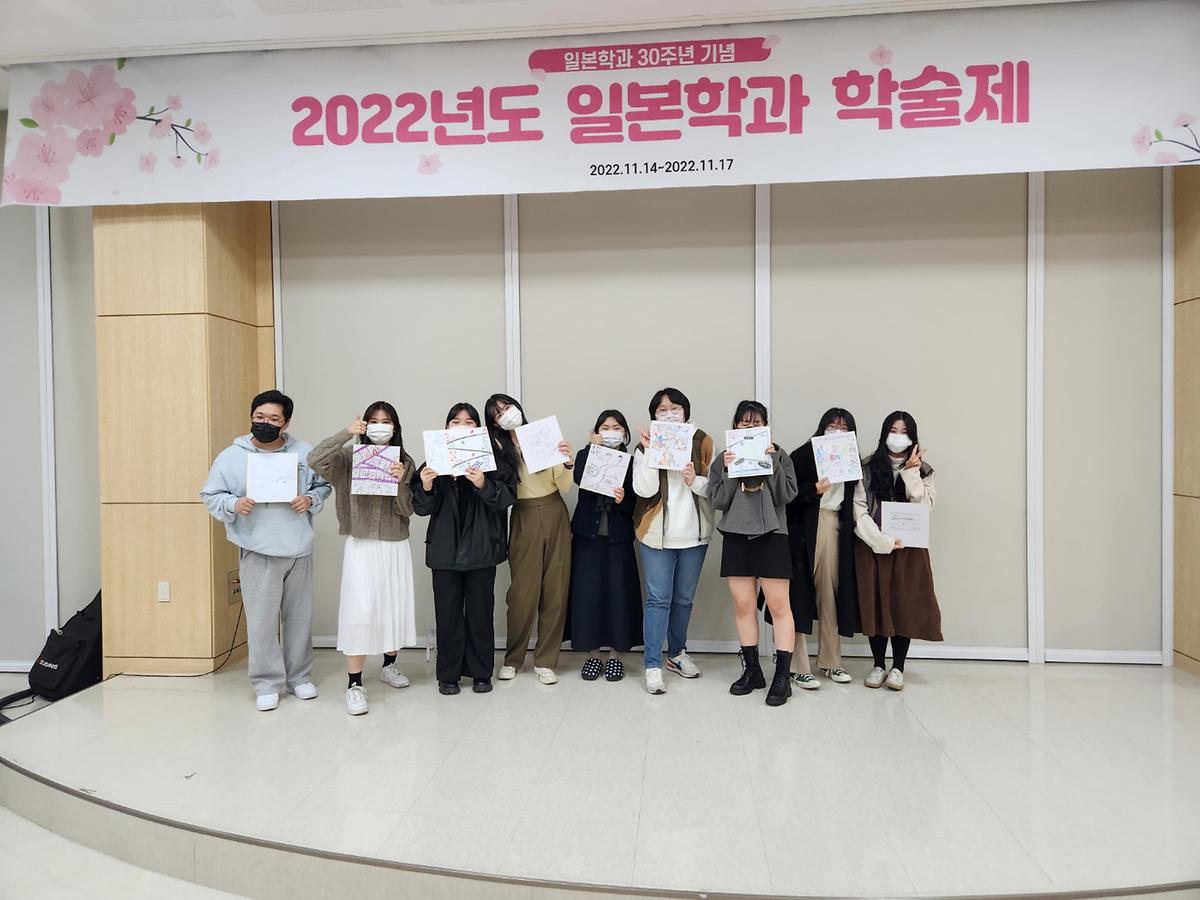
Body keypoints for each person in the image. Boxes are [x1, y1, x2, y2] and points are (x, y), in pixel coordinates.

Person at [200, 390, 331, 711]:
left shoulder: (304, 452)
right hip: (257, 548)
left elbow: (324, 485)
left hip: (297, 547)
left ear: (285, 423)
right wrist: (234, 503)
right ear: (251, 417)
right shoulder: (231, 457)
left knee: (299, 619)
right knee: (260, 622)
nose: (265, 423)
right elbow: (210, 495)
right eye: (260, 417)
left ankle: (300, 677)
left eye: (274, 419)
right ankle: (267, 682)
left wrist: (310, 499)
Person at [308, 401, 417, 716]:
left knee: (393, 605)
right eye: (374, 420)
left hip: (395, 542)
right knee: (360, 609)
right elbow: (314, 459)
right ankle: (354, 684)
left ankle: (389, 665)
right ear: (365, 424)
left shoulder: (405, 461)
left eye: (387, 421)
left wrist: (400, 482)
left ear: (395, 427)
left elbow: (409, 509)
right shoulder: (347, 458)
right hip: (361, 542)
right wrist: (346, 432)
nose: (381, 426)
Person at [412, 403, 517, 695]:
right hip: (444, 552)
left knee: (481, 614)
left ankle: (482, 673)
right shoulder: (433, 460)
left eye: (469, 422)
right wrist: (426, 486)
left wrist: (483, 483)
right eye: (455, 422)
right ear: (446, 428)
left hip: (482, 549)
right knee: (447, 616)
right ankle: (448, 675)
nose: (461, 426)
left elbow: (507, 499)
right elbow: (420, 507)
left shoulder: (493, 461)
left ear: (478, 428)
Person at [708, 401, 799, 706]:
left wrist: (771, 461)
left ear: (765, 427)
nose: (750, 427)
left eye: (756, 423)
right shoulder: (724, 457)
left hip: (774, 535)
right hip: (736, 535)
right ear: (735, 425)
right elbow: (718, 501)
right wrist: (728, 469)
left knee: (779, 606)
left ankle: (782, 676)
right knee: (743, 606)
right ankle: (752, 671)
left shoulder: (780, 454)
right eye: (744, 423)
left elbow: (786, 495)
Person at [487, 393, 574, 686]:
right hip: (523, 514)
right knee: (522, 592)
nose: (505, 414)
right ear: (494, 423)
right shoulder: (497, 447)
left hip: (554, 509)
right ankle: (513, 658)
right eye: (498, 413)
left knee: (555, 588)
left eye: (507, 407)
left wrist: (566, 462)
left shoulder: (542, 435)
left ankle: (546, 660)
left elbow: (564, 485)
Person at [632, 387, 714, 695]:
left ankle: (677, 654)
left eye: (675, 408)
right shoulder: (645, 446)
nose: (669, 414)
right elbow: (643, 490)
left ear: (686, 412)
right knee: (657, 599)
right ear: (654, 416)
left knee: (683, 599)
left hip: (694, 535)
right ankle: (653, 663)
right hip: (656, 536)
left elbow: (716, 488)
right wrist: (651, 453)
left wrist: (695, 481)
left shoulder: (703, 440)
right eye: (662, 410)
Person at [853, 411, 942, 691]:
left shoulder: (925, 471)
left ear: (912, 438)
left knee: (904, 604)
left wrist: (911, 473)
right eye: (893, 430)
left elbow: (924, 506)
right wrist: (880, 541)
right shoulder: (867, 467)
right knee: (876, 603)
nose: (898, 437)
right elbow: (858, 509)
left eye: (904, 432)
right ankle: (878, 664)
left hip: (909, 549)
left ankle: (898, 667)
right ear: (884, 434)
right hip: (874, 545)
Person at [783, 408, 862, 690]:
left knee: (831, 592)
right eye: (832, 426)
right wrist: (812, 490)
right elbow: (787, 496)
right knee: (799, 594)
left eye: (843, 428)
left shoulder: (852, 458)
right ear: (822, 427)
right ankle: (796, 665)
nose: (837, 432)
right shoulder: (803, 455)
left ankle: (831, 660)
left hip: (834, 524)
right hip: (805, 527)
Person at [565, 410, 642, 682]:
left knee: (619, 596)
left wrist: (623, 501)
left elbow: (638, 503)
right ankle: (594, 654)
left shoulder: (632, 462)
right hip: (587, 536)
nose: (611, 431)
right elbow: (577, 477)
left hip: (618, 538)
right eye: (605, 427)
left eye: (617, 427)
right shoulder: (587, 455)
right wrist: (592, 447)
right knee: (587, 595)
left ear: (625, 433)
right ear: (596, 432)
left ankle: (616, 656)